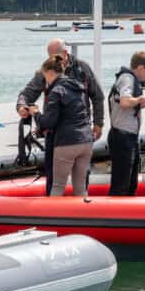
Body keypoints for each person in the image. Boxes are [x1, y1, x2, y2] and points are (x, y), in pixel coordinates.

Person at [17, 38, 104, 194]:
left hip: (69, 134)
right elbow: (27, 93)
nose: (51, 59)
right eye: (48, 55)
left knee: (62, 185)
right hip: (68, 135)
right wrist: (22, 106)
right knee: (59, 180)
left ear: (65, 53)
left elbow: (97, 96)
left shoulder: (82, 69)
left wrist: (99, 123)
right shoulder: (46, 70)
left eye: (54, 55)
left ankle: (56, 213)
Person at [38, 55, 94, 197]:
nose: (46, 82)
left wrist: (36, 114)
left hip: (66, 142)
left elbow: (49, 122)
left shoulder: (56, 91)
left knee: (57, 187)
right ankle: (83, 217)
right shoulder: (79, 87)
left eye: (46, 77)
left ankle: (52, 218)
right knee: (81, 188)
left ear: (50, 73)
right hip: (86, 140)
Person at [108, 51, 145, 196]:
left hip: (130, 137)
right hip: (122, 136)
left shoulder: (131, 80)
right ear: (140, 68)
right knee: (122, 183)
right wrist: (139, 100)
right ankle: (115, 213)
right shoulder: (127, 78)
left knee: (131, 182)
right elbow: (125, 101)